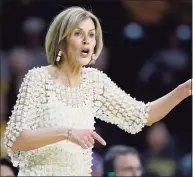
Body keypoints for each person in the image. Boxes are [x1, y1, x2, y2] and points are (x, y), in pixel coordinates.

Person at [4, 6, 192, 176]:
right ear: (61, 41)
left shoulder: (95, 82)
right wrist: (67, 133)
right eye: (78, 33)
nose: (87, 40)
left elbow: (142, 116)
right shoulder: (38, 78)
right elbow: (15, 140)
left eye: (92, 34)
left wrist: (183, 90)